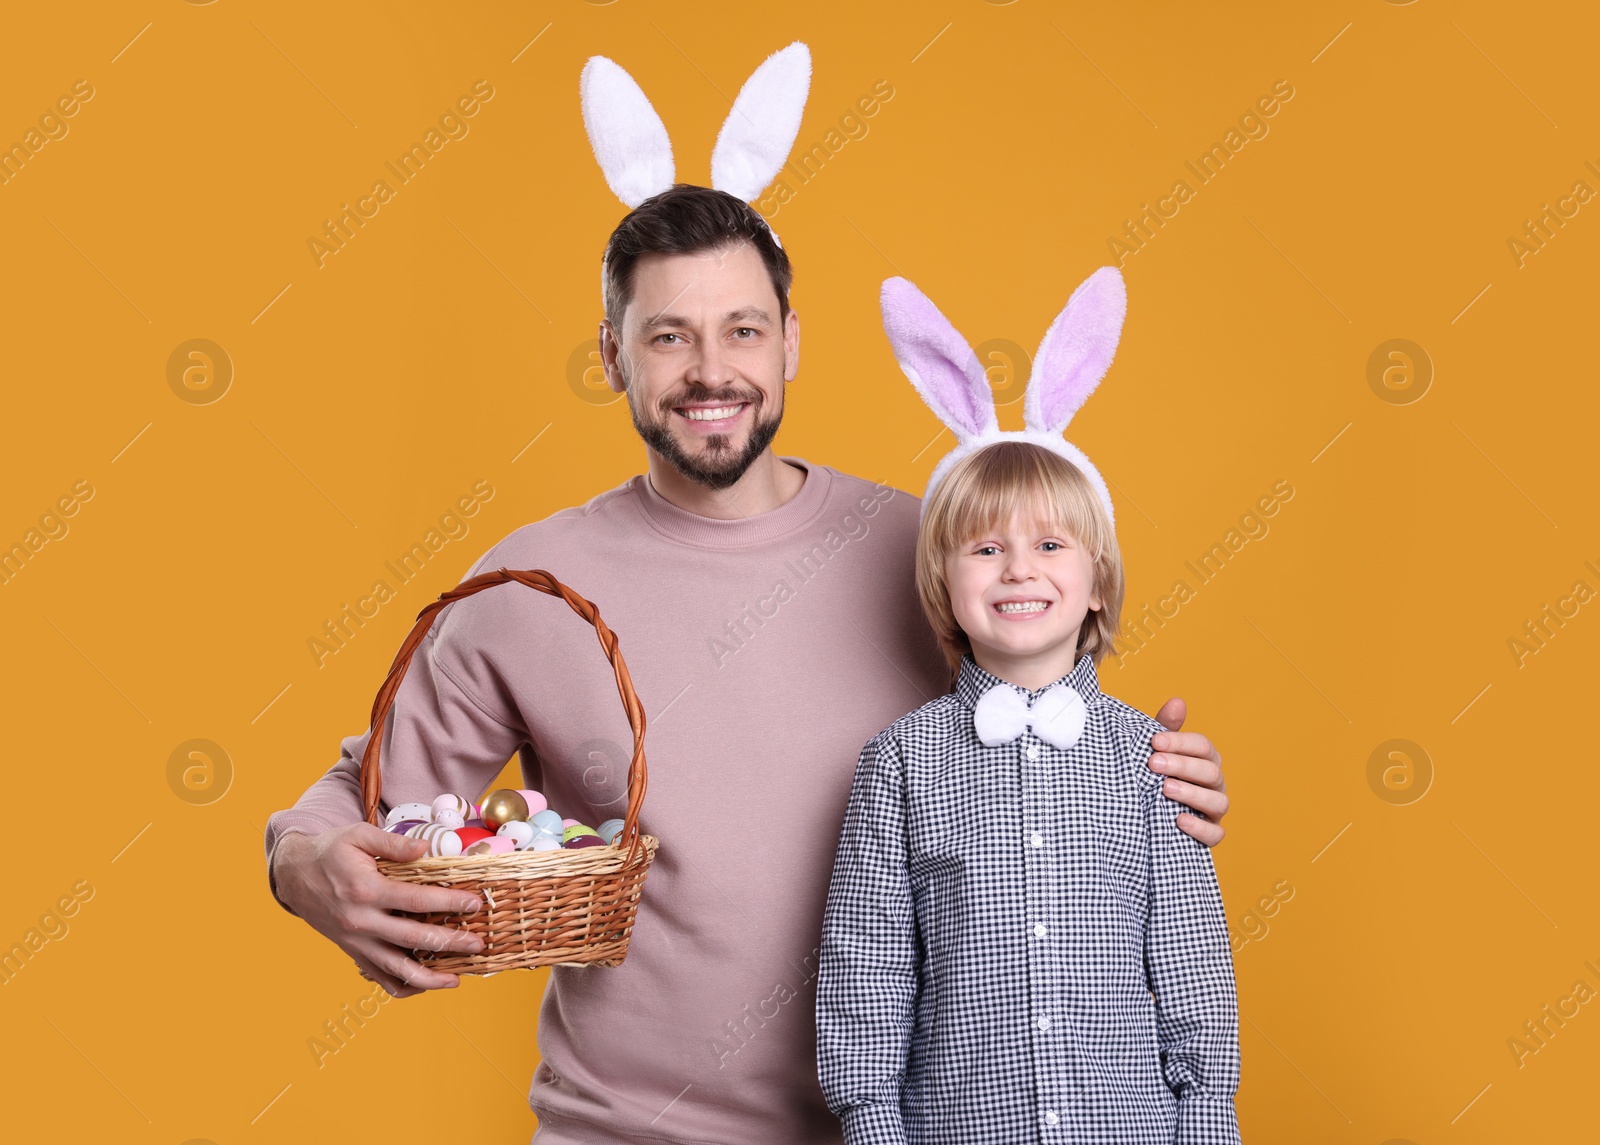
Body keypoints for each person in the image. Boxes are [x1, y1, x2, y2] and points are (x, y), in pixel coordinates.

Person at [263, 48, 1230, 1145]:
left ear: (791, 342)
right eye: (667, 334)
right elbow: (362, 796)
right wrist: (300, 860)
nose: (709, 370)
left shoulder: (927, 543)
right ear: (612, 355)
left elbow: (1043, 735)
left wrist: (1157, 771)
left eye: (742, 330)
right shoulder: (530, 589)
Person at [816, 272, 1239, 1143]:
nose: (1018, 568)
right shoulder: (898, 763)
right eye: (985, 546)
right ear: (943, 579)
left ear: (1095, 583)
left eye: (1051, 543)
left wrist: (1205, 1116)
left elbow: (1193, 964)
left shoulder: (1149, 758)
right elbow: (867, 966)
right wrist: (873, 1125)